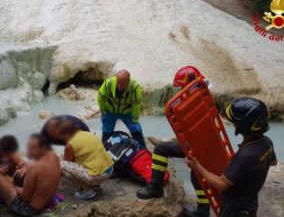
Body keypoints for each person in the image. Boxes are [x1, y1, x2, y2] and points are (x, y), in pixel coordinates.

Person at [137, 66, 211, 217]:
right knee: (161, 149)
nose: (180, 90)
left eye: (182, 87)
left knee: (196, 173)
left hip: (203, 145)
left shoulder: (201, 97)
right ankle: (155, 187)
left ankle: (203, 211)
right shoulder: (198, 93)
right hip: (195, 142)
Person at [186, 97, 277, 217]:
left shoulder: (244, 156)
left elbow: (221, 184)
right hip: (251, 206)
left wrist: (198, 167)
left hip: (235, 211)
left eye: (235, 122)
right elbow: (273, 162)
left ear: (243, 126)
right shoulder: (267, 143)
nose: (234, 124)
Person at [0, 133, 61, 216]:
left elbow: (25, 197)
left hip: (29, 210)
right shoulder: (53, 156)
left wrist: (12, 184)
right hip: (46, 200)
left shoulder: (33, 167)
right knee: (0, 175)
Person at [59, 120, 114, 199]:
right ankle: (95, 186)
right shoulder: (87, 134)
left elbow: (67, 161)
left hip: (98, 175)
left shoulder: (70, 144)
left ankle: (87, 191)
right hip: (109, 169)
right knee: (84, 158)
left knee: (61, 165)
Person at [97, 69, 145, 147]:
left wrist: (135, 120)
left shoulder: (134, 87)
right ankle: (105, 148)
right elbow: (100, 98)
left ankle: (142, 149)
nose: (119, 86)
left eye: (122, 84)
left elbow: (136, 105)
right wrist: (104, 112)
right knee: (106, 132)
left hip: (126, 112)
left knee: (136, 131)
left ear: (128, 81)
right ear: (116, 78)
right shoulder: (108, 83)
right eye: (118, 83)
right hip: (110, 111)